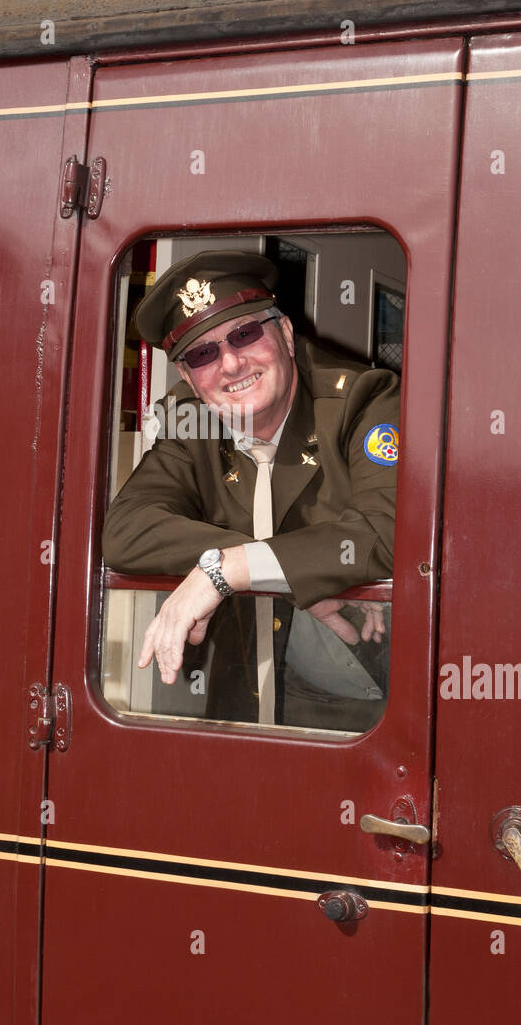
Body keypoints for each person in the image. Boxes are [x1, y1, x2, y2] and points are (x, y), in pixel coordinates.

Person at [102, 250, 399, 731]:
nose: (231, 363)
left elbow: (387, 531)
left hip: (366, 698)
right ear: (188, 379)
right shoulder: (190, 420)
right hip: (242, 702)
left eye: (244, 334)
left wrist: (228, 571)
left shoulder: (363, 399)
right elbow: (125, 532)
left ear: (284, 332)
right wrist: (257, 570)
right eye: (201, 354)